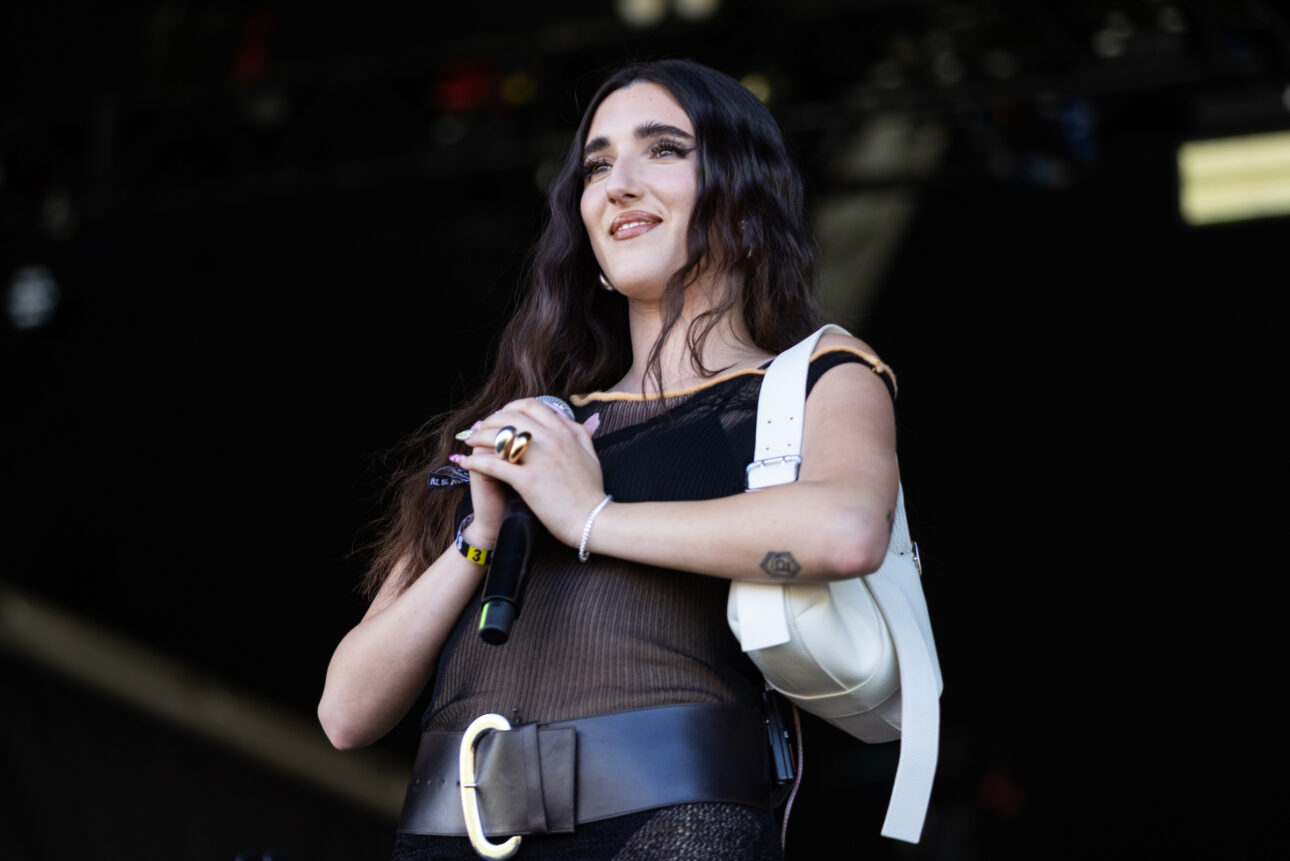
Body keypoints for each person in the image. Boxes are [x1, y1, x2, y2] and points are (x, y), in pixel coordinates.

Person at [318, 58, 900, 861]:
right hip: (451, 835)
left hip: (667, 826)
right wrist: (478, 536)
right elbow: (345, 711)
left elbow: (844, 532)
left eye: (661, 149)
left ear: (740, 188)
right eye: (596, 164)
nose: (618, 182)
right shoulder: (534, 423)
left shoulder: (811, 378)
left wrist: (590, 516)